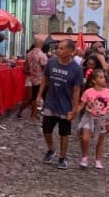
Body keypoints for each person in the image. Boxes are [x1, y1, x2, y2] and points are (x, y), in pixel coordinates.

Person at [35, 39, 83, 170]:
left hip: (65, 106)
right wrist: (39, 95)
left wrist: (74, 109)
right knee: (46, 130)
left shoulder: (76, 69)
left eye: (62, 48)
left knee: (64, 133)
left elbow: (77, 90)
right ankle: (51, 150)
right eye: (58, 48)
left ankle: (62, 157)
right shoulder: (51, 62)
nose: (58, 50)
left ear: (70, 51)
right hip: (51, 103)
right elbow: (45, 78)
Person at [77, 69, 109, 169]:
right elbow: (81, 105)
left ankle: (98, 160)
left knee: (100, 140)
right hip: (88, 117)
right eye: (101, 77)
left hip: (103, 118)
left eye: (104, 77)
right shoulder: (88, 92)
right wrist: (74, 113)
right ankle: (84, 156)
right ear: (94, 81)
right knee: (85, 138)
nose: (104, 79)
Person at [16, 38, 47, 121]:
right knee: (35, 98)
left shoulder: (29, 54)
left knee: (31, 98)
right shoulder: (42, 55)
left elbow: (24, 69)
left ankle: (25, 113)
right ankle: (32, 115)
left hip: (29, 79)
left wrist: (31, 72)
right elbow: (45, 70)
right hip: (38, 80)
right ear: (42, 45)